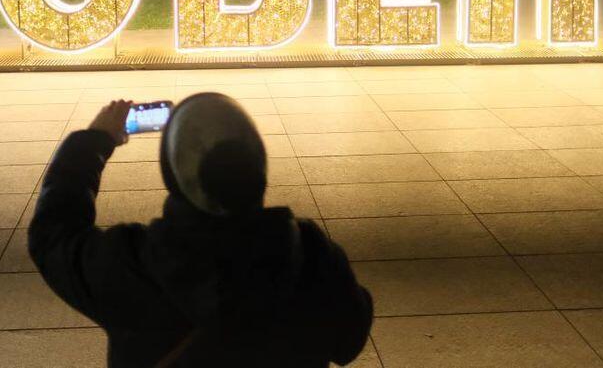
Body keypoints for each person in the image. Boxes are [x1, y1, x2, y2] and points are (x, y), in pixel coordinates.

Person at [29, 93, 373, 367]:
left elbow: (53, 233)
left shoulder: (129, 262)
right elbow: (348, 343)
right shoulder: (312, 255)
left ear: (172, 171)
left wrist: (92, 143)